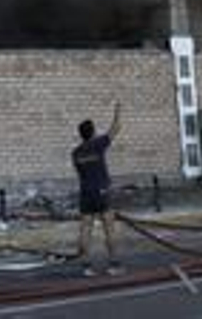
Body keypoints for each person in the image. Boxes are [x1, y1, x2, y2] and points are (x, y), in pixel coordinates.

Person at [71, 103, 124, 276]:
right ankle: (114, 265)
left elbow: (81, 172)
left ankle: (86, 267)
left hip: (85, 193)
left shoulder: (76, 153)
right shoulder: (98, 144)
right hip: (101, 192)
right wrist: (118, 111)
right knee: (109, 228)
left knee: (85, 229)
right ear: (93, 132)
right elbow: (116, 128)